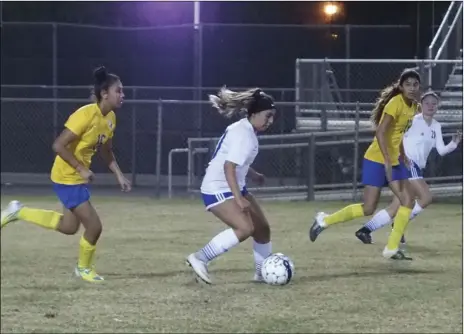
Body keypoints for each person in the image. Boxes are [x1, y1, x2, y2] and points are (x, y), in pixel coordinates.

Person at [1, 66, 131, 282]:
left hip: (76, 178)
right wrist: (81, 168)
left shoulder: (110, 119)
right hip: (67, 177)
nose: (122, 95)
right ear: (104, 93)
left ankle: (18, 212)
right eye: (119, 91)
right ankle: (83, 268)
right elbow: (58, 145)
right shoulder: (86, 114)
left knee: (69, 227)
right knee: (94, 226)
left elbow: (106, 151)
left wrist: (119, 175)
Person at [309, 69, 421, 260]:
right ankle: (324, 220)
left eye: (415, 84)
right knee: (368, 207)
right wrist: (387, 159)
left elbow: (398, 133)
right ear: (401, 87)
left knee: (408, 200)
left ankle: (392, 248)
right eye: (408, 84)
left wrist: (402, 154)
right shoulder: (396, 103)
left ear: (419, 87)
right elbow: (380, 132)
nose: (411, 88)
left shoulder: (413, 107)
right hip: (377, 159)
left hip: (394, 160)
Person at [186, 87, 276, 284]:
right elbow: (229, 167)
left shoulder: (245, 129)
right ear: (254, 113)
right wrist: (238, 199)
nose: (270, 121)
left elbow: (235, 162)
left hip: (232, 185)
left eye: (272, 117)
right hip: (217, 188)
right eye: (267, 116)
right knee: (245, 228)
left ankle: (262, 274)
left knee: (262, 229)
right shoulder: (244, 134)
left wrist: (253, 174)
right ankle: (200, 258)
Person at [355, 91, 461, 245]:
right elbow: (397, 136)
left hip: (417, 167)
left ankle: (365, 230)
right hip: (408, 164)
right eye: (427, 103)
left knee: (397, 205)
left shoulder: (436, 126)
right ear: (421, 105)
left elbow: (441, 150)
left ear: (438, 106)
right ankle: (398, 224)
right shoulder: (413, 120)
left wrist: (454, 143)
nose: (430, 106)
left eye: (434, 103)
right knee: (426, 198)